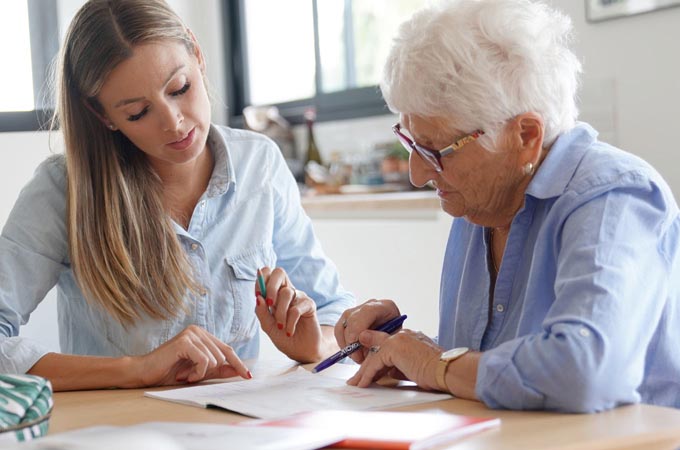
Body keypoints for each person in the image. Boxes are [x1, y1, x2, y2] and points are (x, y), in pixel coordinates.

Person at [336, 0, 680, 413]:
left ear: (525, 136)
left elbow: (584, 373)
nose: (417, 174)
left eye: (436, 150)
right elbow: (484, 370)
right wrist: (401, 349)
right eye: (411, 142)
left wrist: (435, 364)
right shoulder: (479, 203)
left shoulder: (613, 196)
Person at [0, 0, 353, 391]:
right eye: (137, 112)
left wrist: (312, 344)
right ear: (103, 117)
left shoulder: (260, 164)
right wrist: (135, 369)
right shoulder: (63, 191)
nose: (173, 122)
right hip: (120, 431)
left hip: (241, 427)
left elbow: (334, 308)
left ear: (197, 54)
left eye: (179, 88)